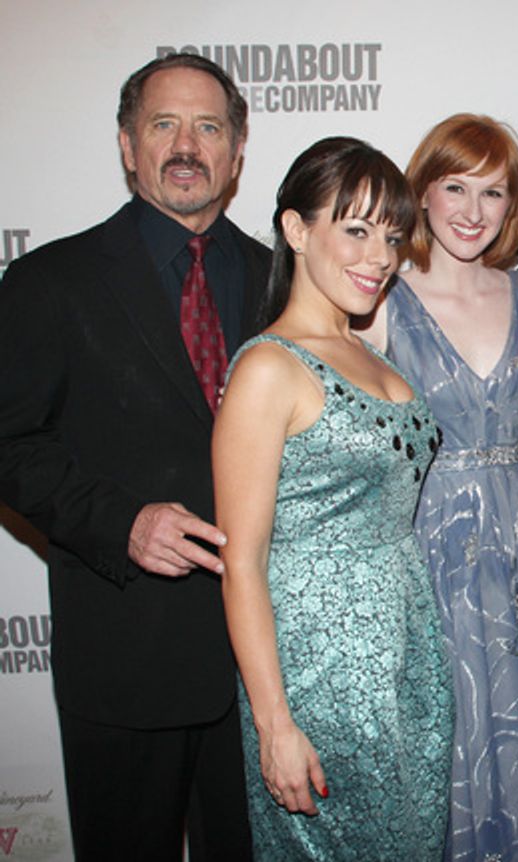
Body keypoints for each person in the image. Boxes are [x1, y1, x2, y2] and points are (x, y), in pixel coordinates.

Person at [0, 53, 267, 860]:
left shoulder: (278, 278)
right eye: (163, 125)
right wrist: (122, 524)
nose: (187, 146)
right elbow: (9, 443)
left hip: (262, 675)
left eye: (208, 127)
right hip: (124, 658)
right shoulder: (51, 280)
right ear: (127, 145)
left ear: (236, 150)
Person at [213, 137, 453, 860]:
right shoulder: (266, 368)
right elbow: (243, 563)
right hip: (321, 669)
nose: (380, 256)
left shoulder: (367, 350)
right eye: (355, 230)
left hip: (406, 654)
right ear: (296, 230)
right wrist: (275, 724)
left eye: (391, 236)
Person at [369, 114, 518, 861]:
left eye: (492, 192)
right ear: (420, 192)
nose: (471, 209)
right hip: (430, 541)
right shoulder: (381, 301)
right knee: (447, 726)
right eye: (454, 185)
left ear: (513, 204)